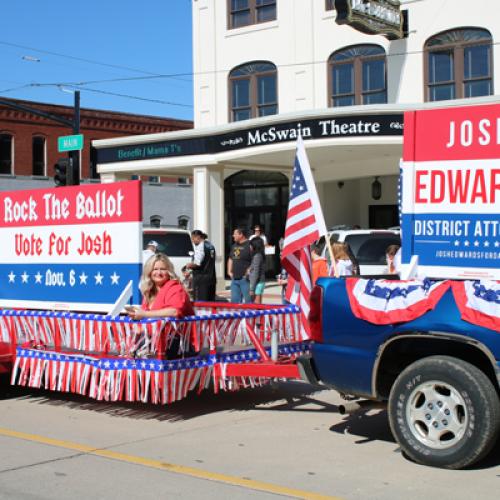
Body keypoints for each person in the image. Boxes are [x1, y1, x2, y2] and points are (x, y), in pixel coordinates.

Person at [127, 253, 195, 357]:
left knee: (143, 351)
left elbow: (174, 311)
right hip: (154, 339)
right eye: (155, 269)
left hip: (177, 341)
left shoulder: (176, 288)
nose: (158, 273)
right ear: (149, 272)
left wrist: (144, 314)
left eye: (162, 269)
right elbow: (145, 321)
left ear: (169, 272)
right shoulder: (149, 292)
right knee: (130, 350)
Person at [186, 229, 216, 301]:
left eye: (193, 238)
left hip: (201, 279)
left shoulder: (200, 247)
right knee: (210, 302)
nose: (192, 241)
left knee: (201, 303)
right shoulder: (210, 245)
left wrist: (188, 265)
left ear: (198, 237)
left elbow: (197, 263)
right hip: (211, 277)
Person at [227, 227, 252, 303]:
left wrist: (249, 270)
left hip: (246, 279)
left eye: (235, 234)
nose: (233, 235)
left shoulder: (250, 245)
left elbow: (256, 260)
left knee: (249, 302)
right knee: (234, 302)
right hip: (235, 279)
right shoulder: (234, 245)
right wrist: (229, 271)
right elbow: (231, 258)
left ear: (241, 235)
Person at [249, 236, 266, 304]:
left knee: (256, 304)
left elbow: (255, 273)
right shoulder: (260, 255)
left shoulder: (257, 256)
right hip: (260, 282)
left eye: (251, 245)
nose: (250, 247)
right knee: (258, 303)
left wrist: (252, 289)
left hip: (257, 283)